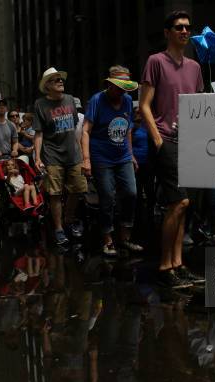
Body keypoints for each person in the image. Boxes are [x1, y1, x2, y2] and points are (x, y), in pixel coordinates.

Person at [140, 10, 204, 286]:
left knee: (183, 206)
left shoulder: (195, 67)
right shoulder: (155, 61)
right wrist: (157, 141)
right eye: (178, 27)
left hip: (190, 143)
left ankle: (178, 263)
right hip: (166, 139)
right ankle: (166, 267)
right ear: (167, 32)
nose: (184, 31)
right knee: (178, 202)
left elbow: (200, 106)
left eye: (188, 27)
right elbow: (144, 105)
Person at [81, 65, 144, 256]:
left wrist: (131, 154)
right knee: (107, 197)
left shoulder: (126, 101)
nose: (122, 91)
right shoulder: (97, 100)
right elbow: (85, 130)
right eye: (118, 87)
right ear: (109, 84)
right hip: (102, 158)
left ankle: (124, 237)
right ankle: (108, 239)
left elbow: (127, 130)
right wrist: (86, 159)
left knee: (131, 193)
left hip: (123, 156)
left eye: (125, 88)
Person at [33, 67, 87, 245]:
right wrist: (38, 158)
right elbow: (39, 133)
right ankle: (58, 229)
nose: (60, 82)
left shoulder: (70, 99)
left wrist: (82, 152)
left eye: (61, 79)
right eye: (56, 80)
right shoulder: (40, 104)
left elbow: (73, 128)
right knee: (55, 194)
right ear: (47, 85)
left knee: (78, 189)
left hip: (73, 154)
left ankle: (69, 219)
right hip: (52, 155)